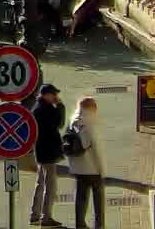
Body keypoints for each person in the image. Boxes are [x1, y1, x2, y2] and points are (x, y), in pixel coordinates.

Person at [29, 84, 67, 226]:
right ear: (46, 95)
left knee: (40, 183)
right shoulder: (46, 109)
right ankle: (46, 217)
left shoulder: (38, 108)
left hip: (40, 151)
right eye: (53, 94)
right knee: (50, 186)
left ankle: (35, 215)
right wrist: (61, 106)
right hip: (48, 152)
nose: (55, 97)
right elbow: (59, 123)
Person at [65, 95, 104, 228]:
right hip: (92, 168)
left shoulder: (72, 121)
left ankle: (80, 224)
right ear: (91, 108)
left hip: (77, 167)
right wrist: (101, 168)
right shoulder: (89, 122)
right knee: (98, 199)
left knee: (80, 197)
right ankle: (99, 225)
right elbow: (94, 147)